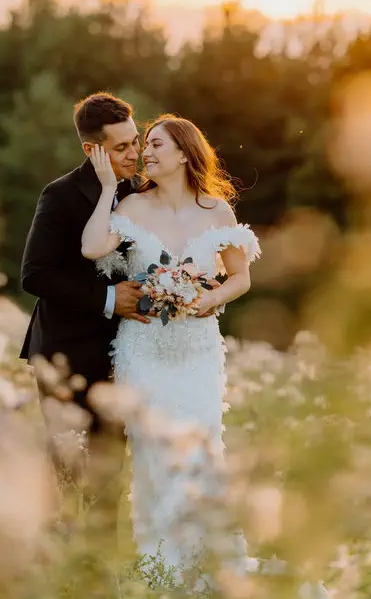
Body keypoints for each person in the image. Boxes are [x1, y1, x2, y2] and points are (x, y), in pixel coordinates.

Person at [80, 114, 264, 585]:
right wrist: (105, 189)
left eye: (157, 144)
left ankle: (209, 569)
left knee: (200, 454)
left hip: (198, 354)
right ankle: (162, 572)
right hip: (143, 351)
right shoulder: (134, 206)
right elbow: (92, 247)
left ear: (184, 152)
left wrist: (211, 297)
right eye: (147, 146)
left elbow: (240, 276)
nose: (147, 153)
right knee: (154, 456)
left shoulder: (218, 212)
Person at [19, 93, 147, 492]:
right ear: (92, 150)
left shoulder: (142, 191)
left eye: (136, 141)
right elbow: (35, 275)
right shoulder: (59, 196)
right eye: (121, 147)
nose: (134, 154)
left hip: (121, 350)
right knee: (68, 469)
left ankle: (100, 555)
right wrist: (109, 299)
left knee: (110, 468)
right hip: (65, 352)